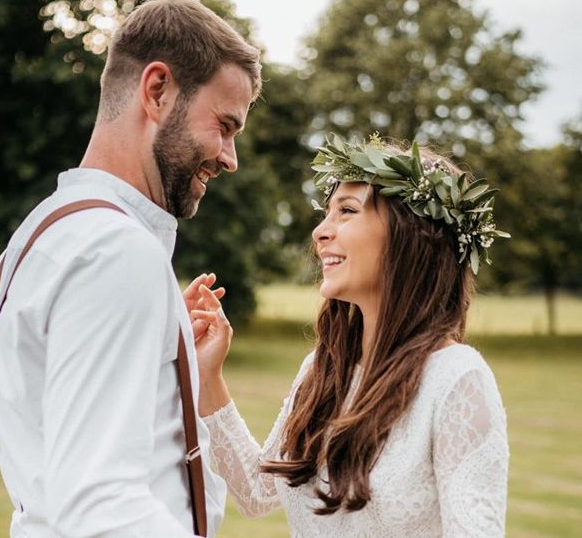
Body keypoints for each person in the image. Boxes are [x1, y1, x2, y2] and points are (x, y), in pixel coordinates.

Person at [0, 0, 261, 537]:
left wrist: (162, 336)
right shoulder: (115, 252)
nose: (230, 158)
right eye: (225, 126)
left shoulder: (41, 236)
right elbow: (100, 503)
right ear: (157, 91)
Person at [190, 136, 510, 537]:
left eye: (346, 211)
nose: (320, 232)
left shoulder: (456, 379)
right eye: (327, 213)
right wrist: (209, 375)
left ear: (407, 234)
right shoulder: (322, 371)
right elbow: (258, 493)